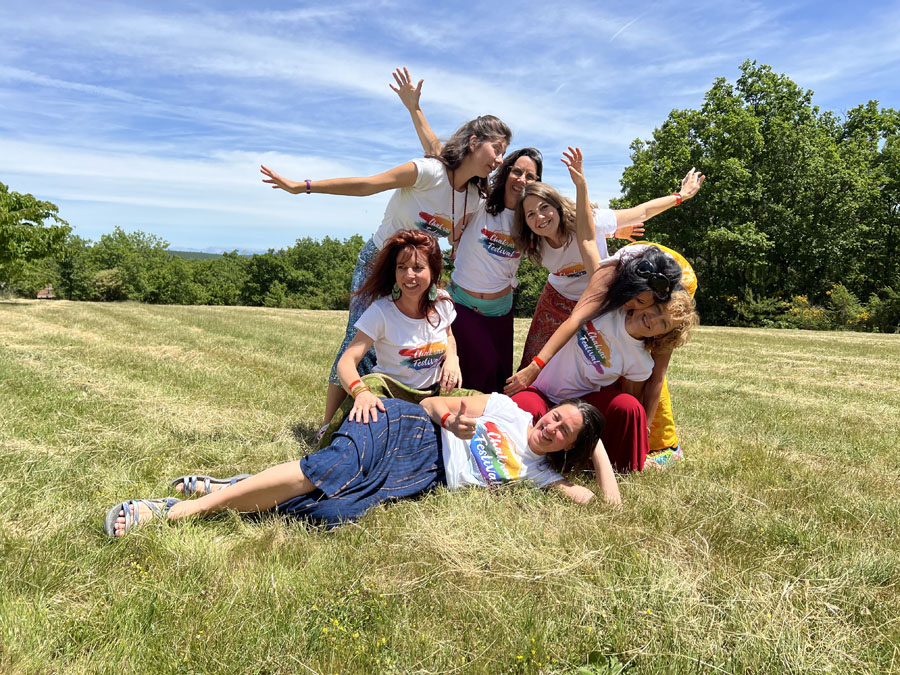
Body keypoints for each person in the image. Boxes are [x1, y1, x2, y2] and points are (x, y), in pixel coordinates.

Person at [261, 111, 512, 431]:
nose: (500, 160)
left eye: (504, 153)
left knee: (404, 344)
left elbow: (456, 234)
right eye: (497, 149)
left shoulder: (474, 197)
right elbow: (367, 185)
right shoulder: (428, 172)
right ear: (474, 142)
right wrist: (303, 186)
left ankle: (380, 418)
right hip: (378, 265)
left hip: (417, 274)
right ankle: (329, 427)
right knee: (358, 344)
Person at [104, 394, 620, 538]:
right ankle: (175, 512)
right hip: (406, 429)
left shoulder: (541, 474)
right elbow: (432, 405)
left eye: (564, 432)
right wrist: (452, 422)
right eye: (556, 416)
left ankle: (234, 487)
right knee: (329, 470)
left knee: (329, 515)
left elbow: (604, 504)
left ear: (568, 447)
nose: (551, 426)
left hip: (422, 477)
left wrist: (593, 447)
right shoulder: (507, 410)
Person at [507, 152, 699, 471]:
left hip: (628, 287)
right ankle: (538, 418)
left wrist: (680, 196)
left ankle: (655, 442)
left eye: (544, 208)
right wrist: (534, 367)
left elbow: (641, 212)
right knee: (547, 365)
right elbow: (575, 313)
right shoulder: (537, 242)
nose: (539, 217)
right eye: (531, 213)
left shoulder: (636, 293)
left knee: (638, 363)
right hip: (565, 297)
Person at [317, 229, 470, 447]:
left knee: (489, 405)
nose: (409, 275)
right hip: (389, 397)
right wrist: (361, 392)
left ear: (433, 270)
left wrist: (452, 359)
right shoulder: (381, 312)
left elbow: (449, 336)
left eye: (418, 268)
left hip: (434, 395)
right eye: (402, 267)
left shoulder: (442, 302)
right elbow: (346, 361)